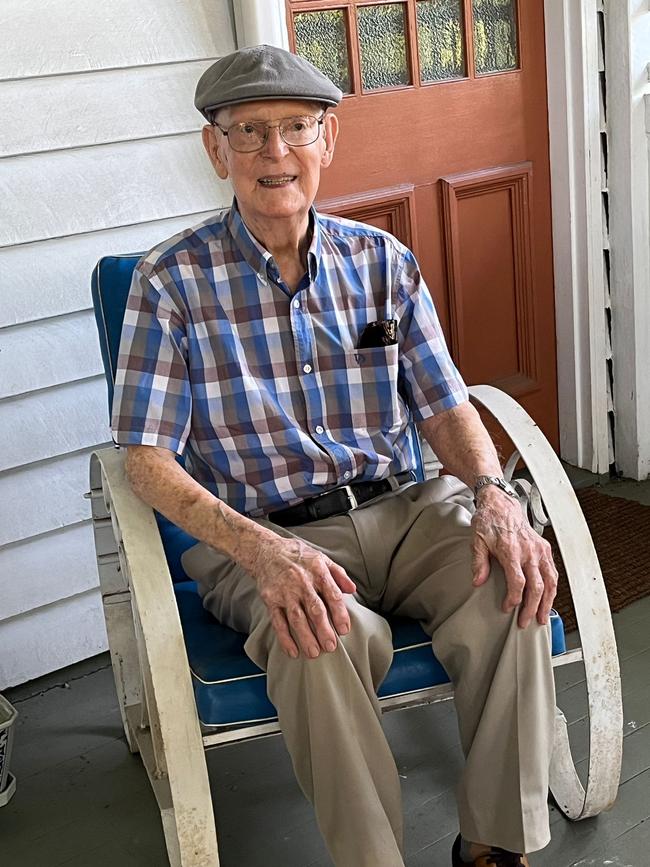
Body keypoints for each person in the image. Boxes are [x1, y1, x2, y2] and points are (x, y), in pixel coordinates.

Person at [111, 44, 558, 867]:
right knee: (316, 632)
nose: (275, 154)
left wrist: (494, 492)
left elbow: (443, 401)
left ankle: (495, 845)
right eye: (248, 133)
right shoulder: (168, 283)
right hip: (268, 534)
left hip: (407, 507)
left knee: (510, 583)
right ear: (215, 150)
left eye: (295, 128)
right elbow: (144, 458)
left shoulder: (381, 262)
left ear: (329, 139)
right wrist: (261, 549)